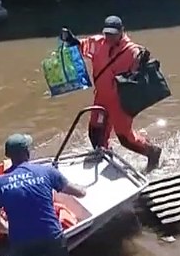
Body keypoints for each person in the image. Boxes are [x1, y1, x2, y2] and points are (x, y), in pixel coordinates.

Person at [62, 16, 163, 170]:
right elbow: (81, 46)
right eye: (107, 33)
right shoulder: (97, 42)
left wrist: (143, 61)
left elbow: (140, 63)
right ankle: (106, 157)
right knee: (95, 133)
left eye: (113, 34)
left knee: (125, 139)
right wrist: (70, 39)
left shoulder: (131, 50)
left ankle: (152, 152)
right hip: (101, 97)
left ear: (122, 31)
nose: (109, 37)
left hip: (120, 101)